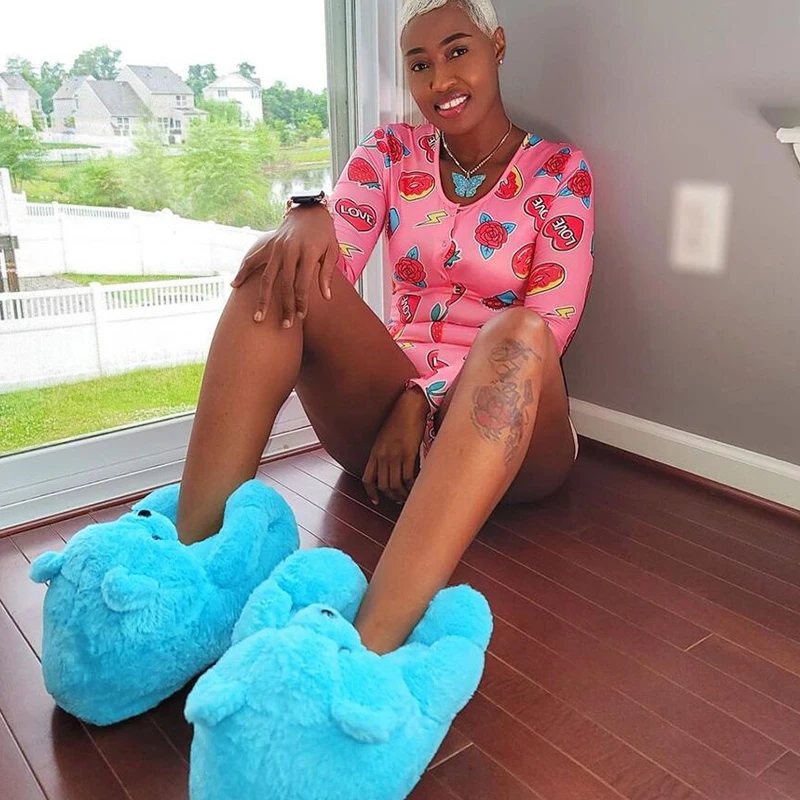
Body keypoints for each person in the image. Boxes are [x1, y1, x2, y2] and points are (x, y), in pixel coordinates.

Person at [175, 0, 594, 655]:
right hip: (387, 439)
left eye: (458, 52)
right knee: (278, 270)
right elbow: (330, 263)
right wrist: (306, 216)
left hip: (514, 440)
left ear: (497, 46)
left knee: (518, 331)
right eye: (419, 64)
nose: (440, 80)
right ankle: (193, 581)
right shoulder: (393, 152)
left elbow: (551, 327)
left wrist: (422, 396)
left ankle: (364, 652)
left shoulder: (561, 173)